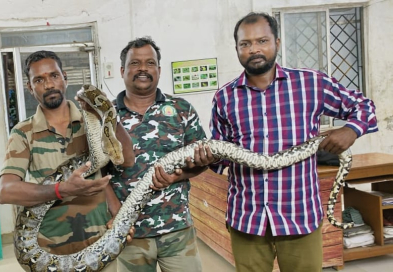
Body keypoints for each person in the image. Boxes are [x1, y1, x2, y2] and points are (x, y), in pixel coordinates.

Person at [206, 12, 378, 272]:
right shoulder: (224, 98)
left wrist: (351, 130)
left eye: (262, 41)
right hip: (247, 218)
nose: (254, 49)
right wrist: (206, 156)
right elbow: (220, 158)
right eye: (245, 44)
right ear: (237, 48)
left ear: (277, 42)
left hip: (299, 215)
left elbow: (365, 107)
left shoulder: (311, 84)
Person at [0, 50, 134, 271]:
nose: (49, 84)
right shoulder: (23, 133)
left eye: (54, 76)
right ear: (30, 88)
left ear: (65, 78)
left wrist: (107, 115)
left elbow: (125, 161)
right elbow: (7, 192)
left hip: (100, 243)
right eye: (39, 80)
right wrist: (61, 190)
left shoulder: (91, 119)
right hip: (50, 250)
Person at [108, 36, 210, 272]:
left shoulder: (181, 109)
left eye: (150, 63)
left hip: (177, 229)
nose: (143, 68)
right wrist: (116, 216)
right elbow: (97, 173)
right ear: (122, 70)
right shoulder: (106, 116)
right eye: (135, 63)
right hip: (130, 234)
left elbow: (203, 159)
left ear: (159, 70)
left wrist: (180, 175)